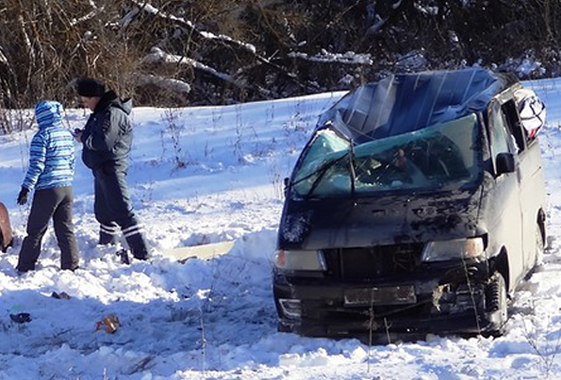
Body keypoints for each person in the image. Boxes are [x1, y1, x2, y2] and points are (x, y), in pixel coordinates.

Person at [74, 78, 149, 260]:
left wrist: (84, 138)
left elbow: (103, 142)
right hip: (101, 168)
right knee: (104, 212)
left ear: (95, 97)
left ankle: (142, 254)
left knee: (122, 210)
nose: (85, 105)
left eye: (86, 101)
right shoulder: (100, 112)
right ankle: (106, 247)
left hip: (112, 167)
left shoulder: (112, 113)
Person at [16, 100, 80, 272]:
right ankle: (71, 265)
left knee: (35, 229)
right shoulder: (67, 135)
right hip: (67, 188)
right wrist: (67, 178)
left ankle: (25, 266)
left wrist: (26, 187)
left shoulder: (42, 136)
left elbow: (37, 165)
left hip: (47, 190)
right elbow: (71, 161)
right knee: (65, 228)